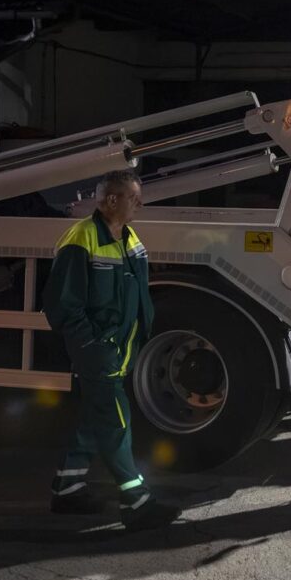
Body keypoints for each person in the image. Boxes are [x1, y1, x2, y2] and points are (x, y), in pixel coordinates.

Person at [43, 170, 180, 531]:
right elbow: (62, 305)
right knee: (115, 423)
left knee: (95, 416)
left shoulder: (129, 236)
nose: (140, 204)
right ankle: (137, 501)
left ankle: (67, 487)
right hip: (99, 351)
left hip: (121, 349)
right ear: (111, 200)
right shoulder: (82, 238)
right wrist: (92, 346)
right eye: (134, 198)